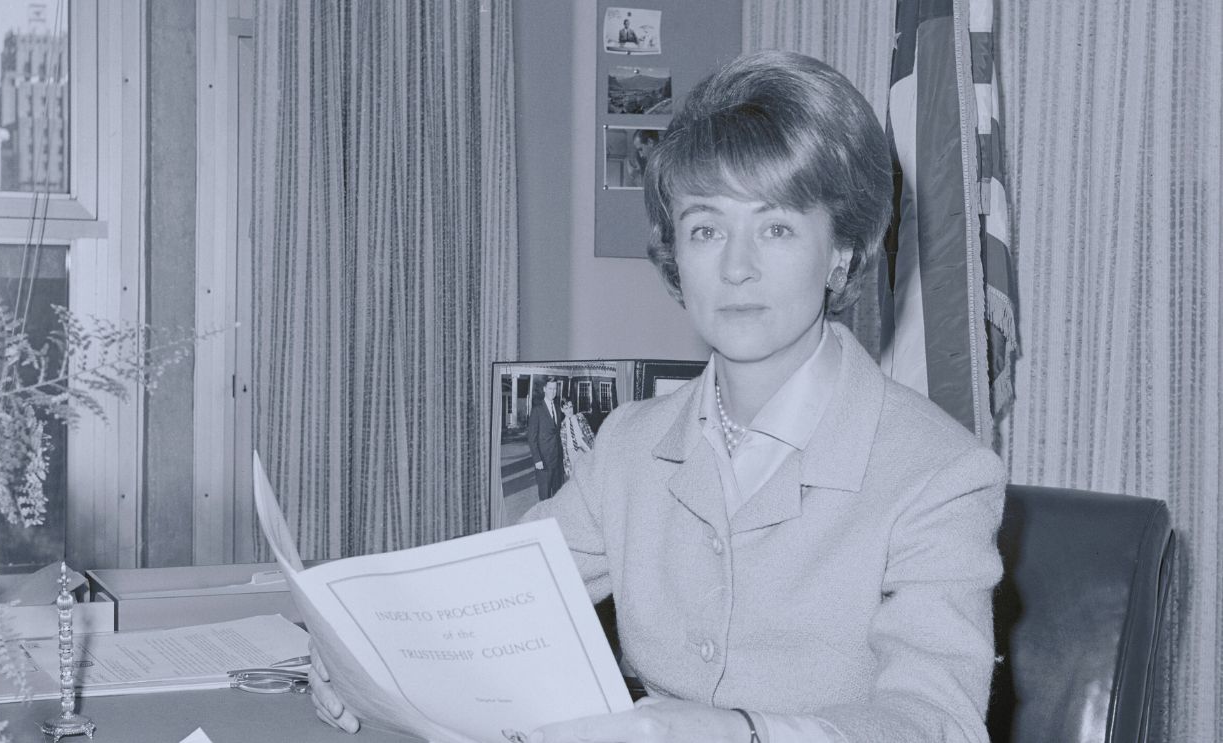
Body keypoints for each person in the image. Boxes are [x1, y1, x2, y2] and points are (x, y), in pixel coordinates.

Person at [311, 50, 1006, 743]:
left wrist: (743, 732)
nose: (736, 267)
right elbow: (489, 600)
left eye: (776, 227)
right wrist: (361, 650)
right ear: (675, 252)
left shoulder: (937, 473)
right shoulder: (627, 445)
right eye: (706, 228)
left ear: (841, 253)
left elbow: (935, 721)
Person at [525, 378, 565, 501]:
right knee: (545, 497)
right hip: (544, 462)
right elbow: (532, 438)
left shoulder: (558, 409)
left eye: (555, 389)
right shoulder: (537, 410)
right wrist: (537, 460)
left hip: (557, 461)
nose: (553, 391)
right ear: (544, 389)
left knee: (558, 497)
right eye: (550, 388)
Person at [558, 399, 595, 479]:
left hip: (583, 449)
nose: (569, 410)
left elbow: (590, 434)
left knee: (587, 475)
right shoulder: (562, 425)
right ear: (562, 409)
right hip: (571, 452)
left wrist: (594, 449)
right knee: (574, 478)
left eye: (570, 407)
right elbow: (564, 448)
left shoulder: (580, 418)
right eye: (566, 408)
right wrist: (567, 464)